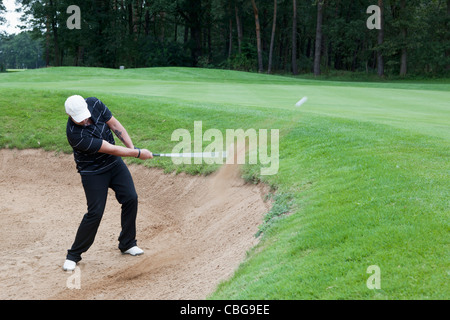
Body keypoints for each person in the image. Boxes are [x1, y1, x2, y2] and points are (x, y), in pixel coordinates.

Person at [62, 95, 153, 271]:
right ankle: (73, 255)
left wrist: (133, 148)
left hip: (114, 165)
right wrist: (137, 154)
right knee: (95, 213)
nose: (85, 120)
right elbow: (110, 148)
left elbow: (115, 125)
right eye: (80, 118)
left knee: (130, 198)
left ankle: (127, 243)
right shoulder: (75, 135)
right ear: (69, 114)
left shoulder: (94, 103)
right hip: (93, 172)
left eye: (85, 115)